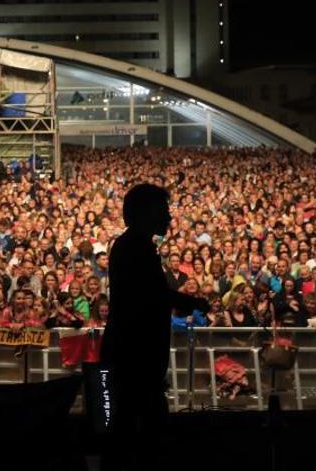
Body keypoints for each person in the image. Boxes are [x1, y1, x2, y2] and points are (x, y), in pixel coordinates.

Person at [99, 184, 209, 471]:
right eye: (163, 210)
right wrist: (193, 302)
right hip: (135, 353)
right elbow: (153, 294)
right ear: (144, 213)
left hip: (133, 351)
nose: (169, 217)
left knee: (131, 425)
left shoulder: (135, 245)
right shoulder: (136, 247)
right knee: (137, 427)